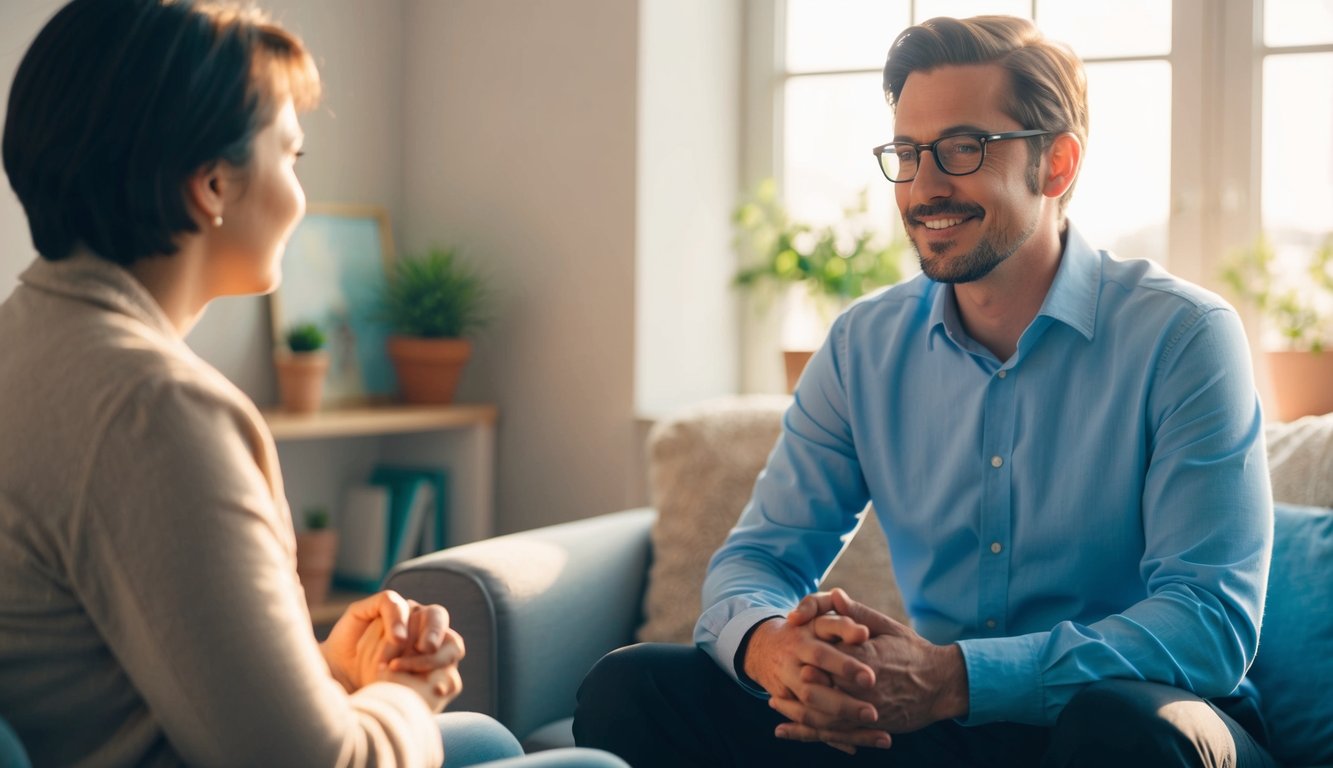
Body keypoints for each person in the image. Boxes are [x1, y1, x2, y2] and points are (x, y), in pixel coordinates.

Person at [574, 15, 1277, 768]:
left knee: (1120, 728)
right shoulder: (862, 346)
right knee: (635, 685)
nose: (924, 186)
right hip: (942, 733)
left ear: (1058, 164)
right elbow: (758, 561)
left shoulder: (1182, 336)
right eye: (907, 154)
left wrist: (955, 679)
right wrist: (773, 648)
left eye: (962, 149)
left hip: (1146, 718)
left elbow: (1207, 626)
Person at [0, 2, 625, 767]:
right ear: (213, 184)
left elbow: (125, 669)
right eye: (291, 156)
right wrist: (406, 693)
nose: (299, 194)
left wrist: (323, 665)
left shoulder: (27, 343)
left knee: (488, 739)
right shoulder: (155, 413)